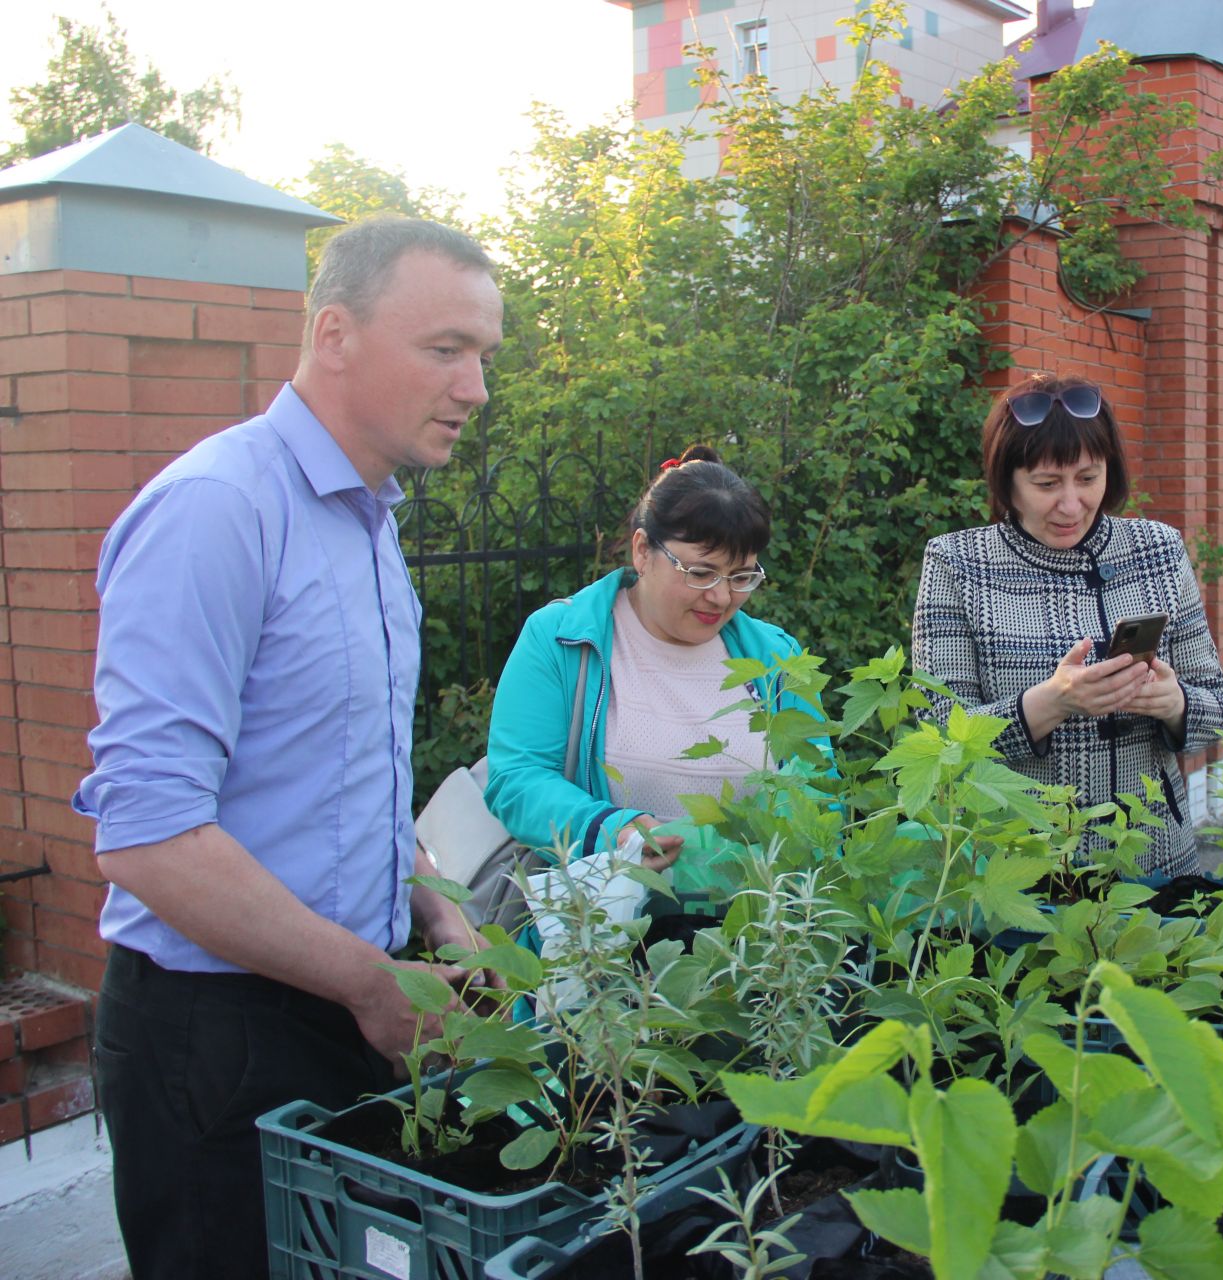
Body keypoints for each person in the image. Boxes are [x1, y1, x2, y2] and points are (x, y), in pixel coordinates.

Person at [74, 218, 502, 1277]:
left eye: (484, 354)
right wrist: (367, 978)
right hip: (214, 1037)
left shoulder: (366, 521)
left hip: (340, 1000)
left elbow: (341, 774)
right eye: (445, 348)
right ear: (335, 334)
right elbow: (151, 835)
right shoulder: (217, 511)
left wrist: (430, 902)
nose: (477, 386)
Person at [912, 374, 1223, 877]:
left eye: (1088, 478)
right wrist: (1051, 703)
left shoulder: (1158, 550)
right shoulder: (959, 563)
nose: (1071, 504)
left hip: (1155, 859)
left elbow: (1218, 710)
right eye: (1046, 484)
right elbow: (938, 740)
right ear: (1007, 481)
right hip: (1021, 867)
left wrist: (1176, 705)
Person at [485, 446, 819, 894]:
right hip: (606, 932)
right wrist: (611, 830)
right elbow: (517, 777)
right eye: (701, 573)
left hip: (759, 932)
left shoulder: (778, 658)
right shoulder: (562, 640)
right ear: (643, 551)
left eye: (741, 577)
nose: (721, 599)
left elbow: (818, 789)